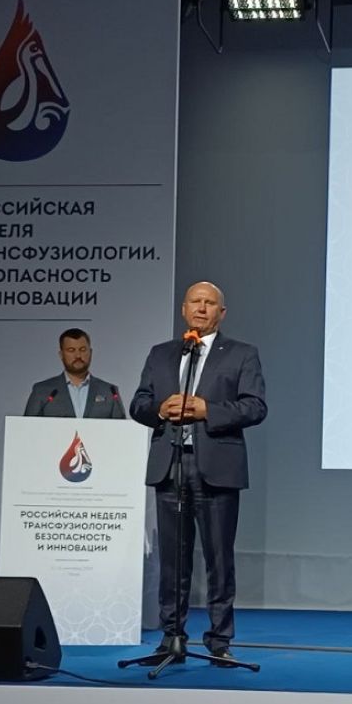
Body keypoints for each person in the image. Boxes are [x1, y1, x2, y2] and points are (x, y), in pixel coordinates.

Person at [130, 281, 267, 665]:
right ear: (184, 309)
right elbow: (139, 403)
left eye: (209, 303)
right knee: (173, 561)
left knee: (218, 559)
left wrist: (209, 411)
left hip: (217, 469)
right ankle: (171, 638)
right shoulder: (161, 354)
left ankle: (219, 640)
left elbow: (256, 407)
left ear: (221, 313)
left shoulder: (241, 354)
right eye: (195, 302)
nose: (202, 308)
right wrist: (161, 409)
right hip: (171, 465)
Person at [23, 328, 126, 418]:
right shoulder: (42, 391)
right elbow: (27, 428)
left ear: (90, 353)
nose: (78, 356)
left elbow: (121, 429)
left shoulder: (109, 391)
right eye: (71, 350)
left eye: (82, 350)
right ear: (61, 354)